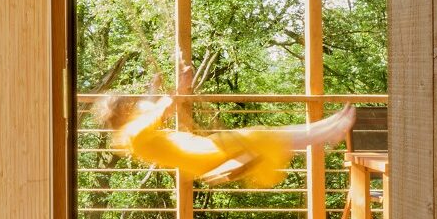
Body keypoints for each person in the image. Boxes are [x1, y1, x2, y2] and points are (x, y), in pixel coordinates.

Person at [105, 95, 355, 188]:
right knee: (263, 137)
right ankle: (330, 129)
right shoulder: (136, 130)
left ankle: (328, 128)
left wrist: (158, 89)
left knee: (265, 135)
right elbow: (159, 110)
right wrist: (166, 100)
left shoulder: (129, 133)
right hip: (207, 154)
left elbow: (149, 109)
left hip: (204, 152)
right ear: (125, 113)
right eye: (129, 105)